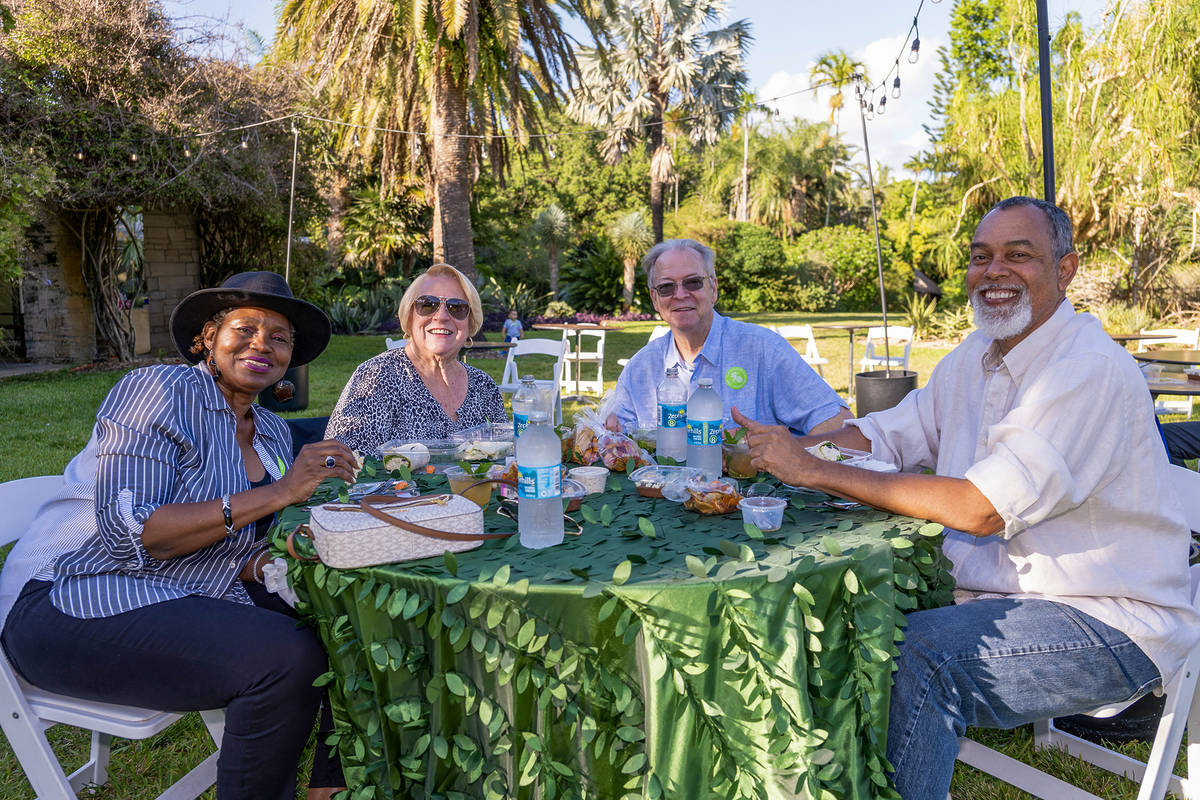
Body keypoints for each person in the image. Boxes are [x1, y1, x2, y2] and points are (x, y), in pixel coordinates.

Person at [732, 196, 1200, 800]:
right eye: (980, 257)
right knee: (843, 624)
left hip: (1111, 619)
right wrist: (792, 447)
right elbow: (883, 437)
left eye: (1018, 255)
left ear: (1066, 268)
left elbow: (981, 507)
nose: (993, 271)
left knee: (921, 658)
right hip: (993, 594)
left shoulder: (1086, 368)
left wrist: (815, 472)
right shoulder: (970, 361)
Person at [0, 271, 356, 800]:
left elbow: (236, 544)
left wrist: (281, 553)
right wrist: (281, 492)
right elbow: (136, 535)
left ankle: (329, 791)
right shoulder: (158, 391)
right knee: (288, 657)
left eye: (280, 337)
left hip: (187, 589)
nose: (263, 344)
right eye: (246, 327)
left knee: (351, 626)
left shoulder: (273, 430)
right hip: (73, 603)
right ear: (209, 337)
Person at [606, 238, 851, 435]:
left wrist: (779, 451)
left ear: (713, 289)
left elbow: (840, 423)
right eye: (667, 287)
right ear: (655, 299)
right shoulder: (641, 368)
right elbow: (614, 433)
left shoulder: (763, 350)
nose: (680, 295)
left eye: (693, 283)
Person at [326, 263, 506, 456]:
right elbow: (341, 466)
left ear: (470, 324)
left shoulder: (484, 387)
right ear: (409, 316)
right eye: (427, 304)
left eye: (457, 307)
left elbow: (506, 458)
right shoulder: (376, 378)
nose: (442, 316)